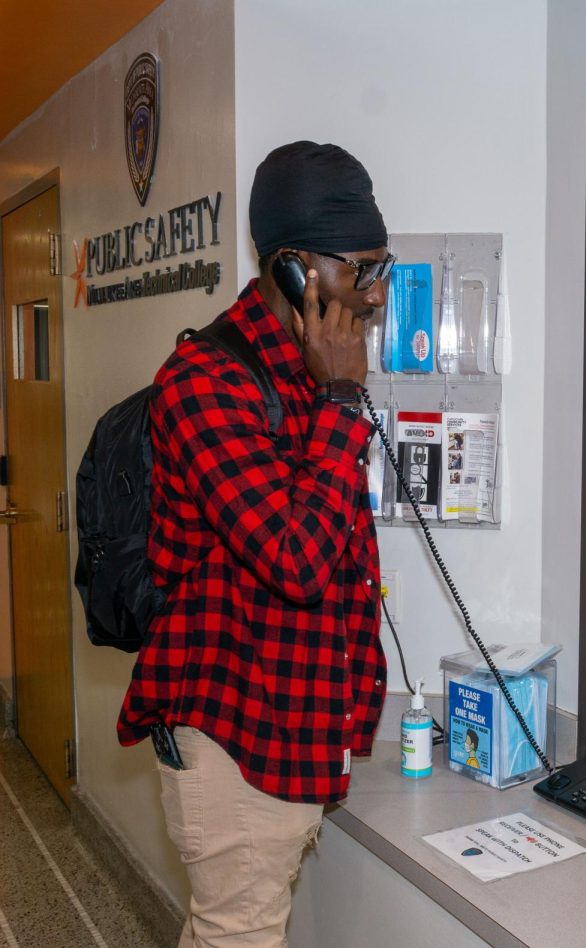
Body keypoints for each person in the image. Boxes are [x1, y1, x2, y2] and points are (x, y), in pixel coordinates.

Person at [117, 141, 395, 946]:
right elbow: (297, 562)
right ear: (294, 269)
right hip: (235, 740)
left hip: (296, 725)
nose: (376, 295)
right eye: (364, 269)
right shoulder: (206, 382)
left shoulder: (308, 372)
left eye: (383, 266)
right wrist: (343, 401)